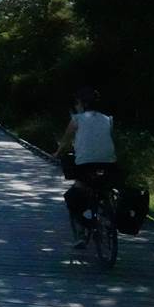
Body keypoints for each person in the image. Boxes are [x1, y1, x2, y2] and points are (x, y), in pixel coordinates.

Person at [53, 87, 118, 248]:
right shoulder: (108, 119)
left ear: (81, 103)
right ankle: (107, 216)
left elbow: (66, 141)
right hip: (109, 164)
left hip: (85, 165)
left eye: (77, 103)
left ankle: (82, 231)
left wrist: (57, 153)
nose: (76, 106)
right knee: (104, 187)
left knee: (74, 195)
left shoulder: (77, 119)